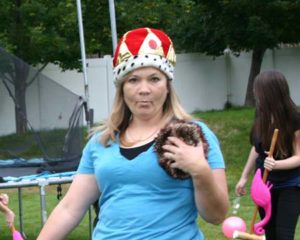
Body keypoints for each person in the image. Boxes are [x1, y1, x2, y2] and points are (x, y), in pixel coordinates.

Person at [37, 27, 229, 240]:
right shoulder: (101, 141)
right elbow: (69, 209)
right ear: (122, 88)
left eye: (154, 79)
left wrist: (200, 170)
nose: (144, 89)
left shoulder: (192, 136)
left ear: (167, 86)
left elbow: (216, 215)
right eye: (133, 80)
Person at [235, 70, 300, 240]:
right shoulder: (261, 115)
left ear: (271, 93)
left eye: (258, 91)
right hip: (264, 185)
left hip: (291, 185)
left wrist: (277, 164)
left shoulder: (294, 119)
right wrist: (244, 177)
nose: (255, 94)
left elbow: (299, 157)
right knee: (270, 234)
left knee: (284, 235)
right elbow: (256, 148)